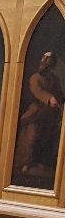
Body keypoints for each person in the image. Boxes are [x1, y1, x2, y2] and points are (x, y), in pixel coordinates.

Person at [14, 50, 63, 187]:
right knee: (30, 136)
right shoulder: (35, 77)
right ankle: (24, 163)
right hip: (35, 113)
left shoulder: (54, 78)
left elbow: (59, 93)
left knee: (47, 137)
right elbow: (37, 91)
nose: (45, 61)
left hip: (50, 115)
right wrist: (49, 98)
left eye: (48, 59)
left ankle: (41, 162)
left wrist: (58, 100)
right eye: (44, 58)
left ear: (52, 63)